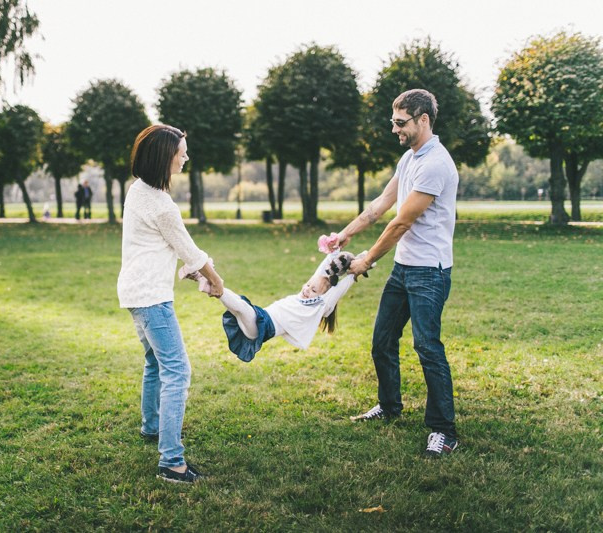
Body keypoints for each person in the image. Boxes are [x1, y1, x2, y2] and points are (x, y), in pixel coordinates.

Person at [325, 89, 460, 457]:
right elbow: (381, 205)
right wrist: (345, 234)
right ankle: (389, 405)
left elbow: (401, 222)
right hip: (404, 269)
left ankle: (443, 431)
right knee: (382, 341)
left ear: (423, 120)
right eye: (393, 122)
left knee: (427, 347)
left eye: (401, 123)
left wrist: (367, 258)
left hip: (429, 272)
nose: (395, 129)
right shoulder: (409, 158)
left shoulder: (436, 164)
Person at [117, 124, 224, 484]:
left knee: (154, 362)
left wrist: (193, 270)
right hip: (151, 298)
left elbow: (168, 247)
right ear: (165, 157)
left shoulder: (138, 191)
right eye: (182, 151)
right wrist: (216, 279)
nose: (186, 156)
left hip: (135, 293)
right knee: (178, 371)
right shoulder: (161, 205)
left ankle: (152, 427)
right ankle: (171, 463)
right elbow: (188, 250)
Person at [179, 251, 368, 362]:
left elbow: (340, 287)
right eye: (307, 285)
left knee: (241, 306)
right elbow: (323, 268)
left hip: (263, 325)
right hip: (260, 316)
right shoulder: (307, 291)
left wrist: (363, 263)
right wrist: (336, 250)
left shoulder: (320, 305)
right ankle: (202, 277)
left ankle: (208, 277)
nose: (307, 290)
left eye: (312, 290)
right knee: (237, 307)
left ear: (321, 296)